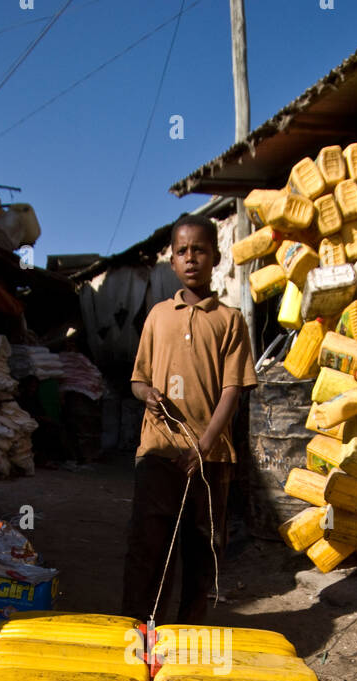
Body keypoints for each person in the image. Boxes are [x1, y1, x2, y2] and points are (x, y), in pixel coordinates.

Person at [121, 214, 257, 622]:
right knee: (148, 549)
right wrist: (148, 395)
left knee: (201, 551)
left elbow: (232, 390)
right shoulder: (158, 316)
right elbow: (138, 380)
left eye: (199, 249)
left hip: (210, 460)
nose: (190, 257)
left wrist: (204, 445)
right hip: (159, 452)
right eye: (182, 251)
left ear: (215, 256)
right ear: (172, 261)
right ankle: (138, 633)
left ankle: (188, 635)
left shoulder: (230, 320)